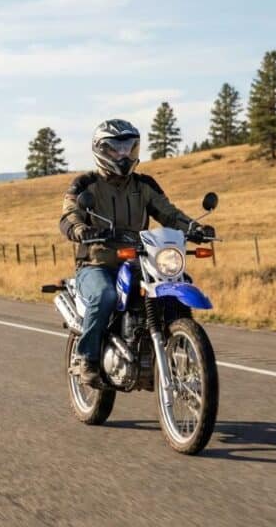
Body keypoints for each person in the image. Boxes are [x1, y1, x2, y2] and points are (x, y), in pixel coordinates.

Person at [59, 119, 202, 383]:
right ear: (101, 150)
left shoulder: (144, 185)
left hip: (141, 261)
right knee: (104, 295)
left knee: (179, 283)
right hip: (97, 264)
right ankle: (87, 357)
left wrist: (194, 227)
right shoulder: (85, 185)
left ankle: (182, 350)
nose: (123, 155)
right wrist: (80, 229)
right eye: (116, 149)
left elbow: (168, 213)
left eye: (129, 148)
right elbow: (70, 215)